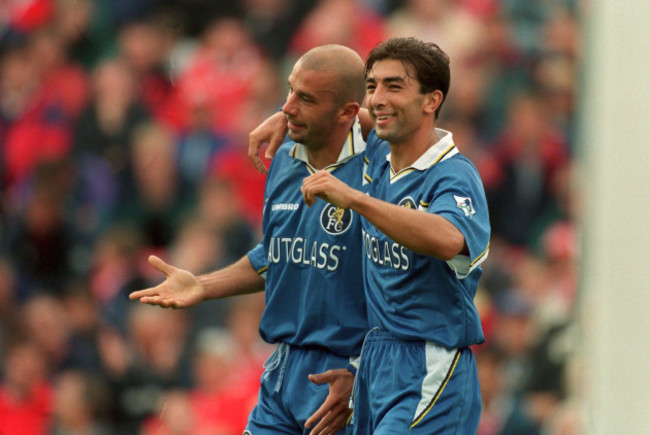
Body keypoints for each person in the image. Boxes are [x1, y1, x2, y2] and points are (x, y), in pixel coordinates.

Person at [251, 37, 490, 434]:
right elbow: (342, 114)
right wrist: (286, 115)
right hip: (375, 360)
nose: (377, 98)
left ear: (431, 101)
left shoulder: (453, 174)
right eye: (372, 85)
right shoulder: (382, 155)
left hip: (428, 361)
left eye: (393, 86)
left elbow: (450, 238)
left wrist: (357, 200)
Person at [130, 44, 369, 435]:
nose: (286, 107)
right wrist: (203, 285)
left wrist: (361, 375)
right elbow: (276, 255)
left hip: (341, 380)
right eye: (289, 91)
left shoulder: (381, 171)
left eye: (305, 99)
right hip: (284, 370)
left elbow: (401, 282)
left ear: (347, 112)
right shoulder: (286, 160)